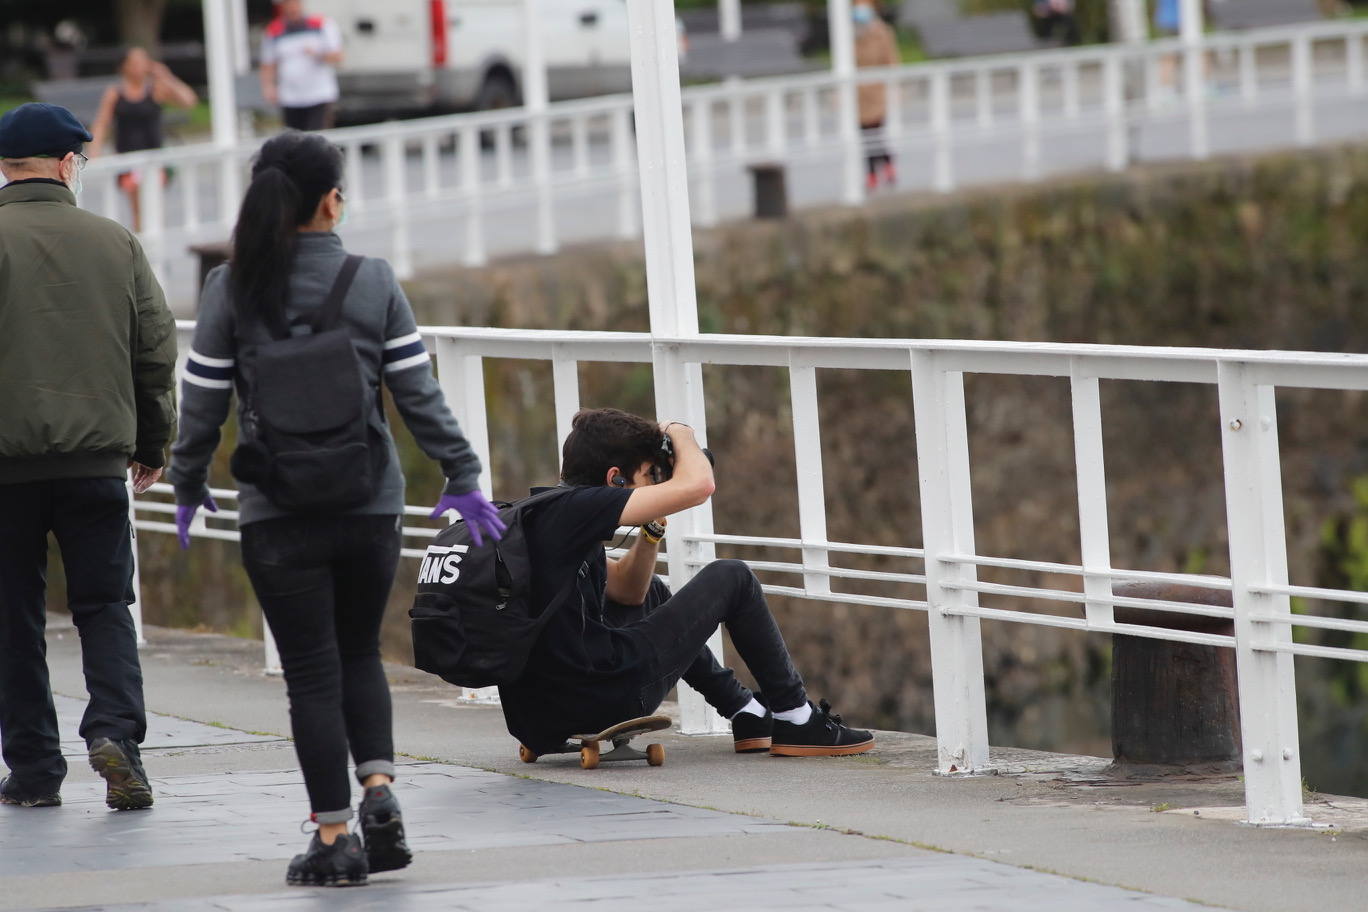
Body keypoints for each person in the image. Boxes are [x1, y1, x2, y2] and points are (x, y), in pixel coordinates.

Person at [168, 131, 505, 887]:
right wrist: (463, 475)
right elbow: (419, 396)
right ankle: (379, 790)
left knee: (311, 673)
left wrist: (189, 481)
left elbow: (202, 405)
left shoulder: (231, 287)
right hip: (368, 506)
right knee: (358, 654)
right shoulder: (371, 278)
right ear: (330, 201)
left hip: (276, 512)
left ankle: (333, 836)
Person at [498, 408, 875, 761]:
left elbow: (629, 593)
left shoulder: (545, 513)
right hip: (600, 700)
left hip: (535, 718)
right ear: (615, 479)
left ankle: (745, 712)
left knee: (656, 594)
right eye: (650, 476)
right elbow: (700, 485)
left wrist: (652, 527)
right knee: (732, 576)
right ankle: (796, 718)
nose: (657, 486)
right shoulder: (581, 509)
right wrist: (680, 433)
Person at [0, 103, 177, 812]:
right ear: (70, 163)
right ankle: (114, 735)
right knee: (105, 606)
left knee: (12, 614)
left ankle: (36, 768)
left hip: (5, 470)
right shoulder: (115, 242)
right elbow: (155, 348)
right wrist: (152, 442)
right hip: (97, 462)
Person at [88, 47, 198, 233]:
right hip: (128, 158)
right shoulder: (116, 93)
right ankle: (144, 242)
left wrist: (167, 77)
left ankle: (152, 239)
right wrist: (94, 151)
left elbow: (188, 101)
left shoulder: (155, 90)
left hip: (155, 157)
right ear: (124, 67)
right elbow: (101, 123)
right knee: (137, 207)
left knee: (153, 204)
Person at [260, 0, 344, 131]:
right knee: (293, 140)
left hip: (319, 95)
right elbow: (268, 63)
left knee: (317, 139)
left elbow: (338, 56)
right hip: (290, 97)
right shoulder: (274, 30)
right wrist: (268, 87)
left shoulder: (321, 24)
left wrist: (317, 54)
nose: (292, 8)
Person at [854, 0, 898, 192]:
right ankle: (877, 171)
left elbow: (891, 60)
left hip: (877, 89)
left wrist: (895, 85)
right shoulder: (851, 33)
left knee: (875, 133)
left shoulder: (882, 32)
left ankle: (879, 170)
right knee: (865, 134)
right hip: (858, 93)